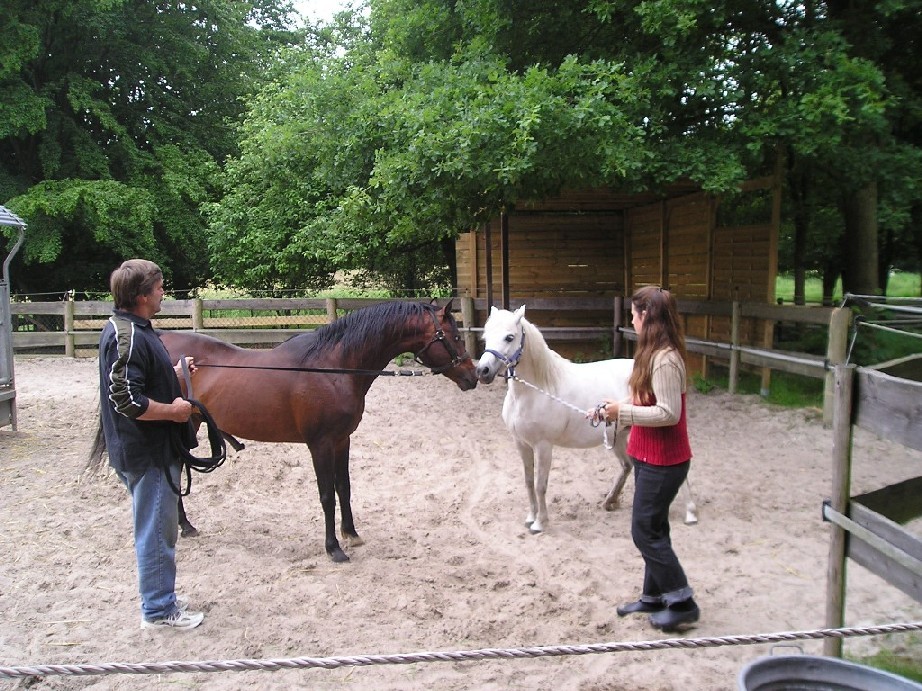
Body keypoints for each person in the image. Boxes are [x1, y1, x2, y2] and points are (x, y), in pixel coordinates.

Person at [98, 259, 204, 630]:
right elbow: (127, 401)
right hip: (147, 451)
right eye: (159, 288)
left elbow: (138, 383)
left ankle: (161, 597)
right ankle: (158, 610)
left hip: (148, 449)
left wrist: (173, 374)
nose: (163, 294)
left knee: (158, 527)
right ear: (142, 295)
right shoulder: (126, 336)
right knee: (157, 531)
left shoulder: (136, 330)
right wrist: (175, 412)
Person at [588, 285, 699, 632]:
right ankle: (653, 596)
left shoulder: (666, 359)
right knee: (655, 527)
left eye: (634, 314)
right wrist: (612, 410)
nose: (631, 320)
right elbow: (646, 404)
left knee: (643, 531)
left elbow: (668, 413)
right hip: (649, 456)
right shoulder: (651, 353)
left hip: (665, 461)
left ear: (645, 316)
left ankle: (682, 601)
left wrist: (623, 412)